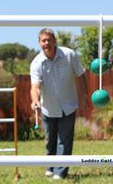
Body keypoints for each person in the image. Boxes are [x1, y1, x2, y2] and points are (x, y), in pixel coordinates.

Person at [30, 28, 89, 179]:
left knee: (64, 140)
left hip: (68, 106)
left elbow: (81, 75)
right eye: (43, 40)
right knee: (50, 140)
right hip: (48, 108)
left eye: (49, 40)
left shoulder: (69, 55)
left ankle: (60, 172)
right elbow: (35, 87)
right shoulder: (36, 63)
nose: (46, 43)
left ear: (55, 41)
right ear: (39, 43)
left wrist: (85, 96)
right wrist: (35, 100)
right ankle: (50, 167)